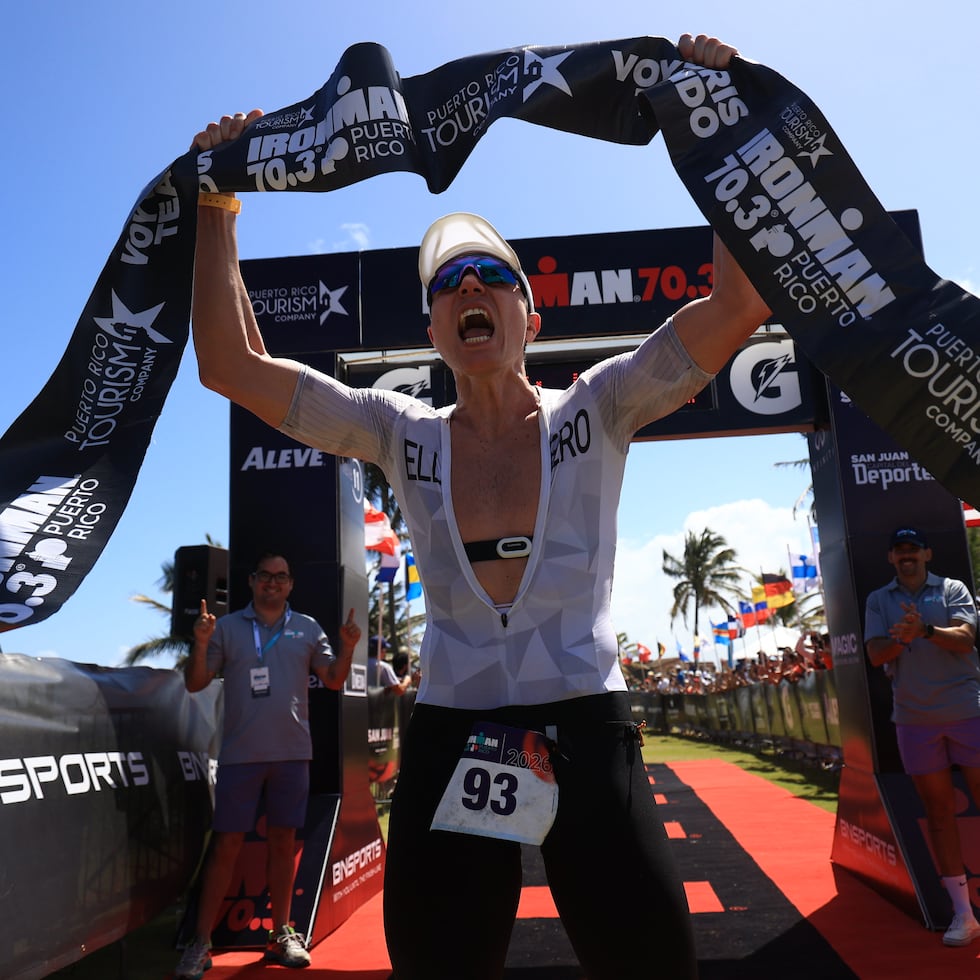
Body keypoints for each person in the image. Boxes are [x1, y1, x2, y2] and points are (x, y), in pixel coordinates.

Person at [189, 33, 768, 978]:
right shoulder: (398, 429)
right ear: (433, 329)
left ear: (528, 317)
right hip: (457, 732)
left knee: (654, 966)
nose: (468, 287)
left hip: (587, 722)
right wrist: (217, 202)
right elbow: (229, 366)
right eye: (449, 282)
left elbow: (737, 304)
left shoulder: (602, 403)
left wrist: (713, 116)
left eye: (491, 276)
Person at [175, 553, 360, 979]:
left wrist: (348, 649)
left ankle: (281, 935)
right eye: (265, 576)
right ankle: (199, 944)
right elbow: (195, 683)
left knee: (283, 845)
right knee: (225, 849)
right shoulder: (226, 628)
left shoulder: (308, 628)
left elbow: (333, 679)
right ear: (253, 582)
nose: (272, 583)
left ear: (291, 584)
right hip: (240, 755)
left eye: (281, 577)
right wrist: (201, 643)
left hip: (293, 754)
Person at [865, 526, 980, 948]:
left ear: (927, 553)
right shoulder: (879, 599)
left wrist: (925, 632)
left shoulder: (952, 589)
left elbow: (967, 640)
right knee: (937, 814)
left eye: (914, 549)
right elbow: (875, 653)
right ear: (892, 558)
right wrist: (903, 637)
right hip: (914, 719)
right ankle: (963, 915)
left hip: (968, 711)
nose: (907, 556)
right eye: (900, 550)